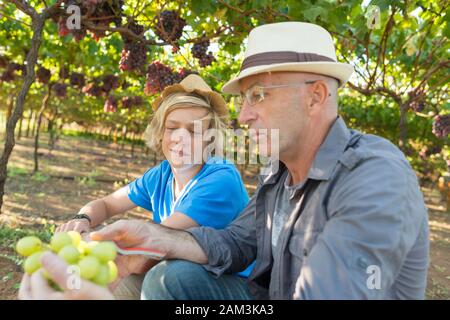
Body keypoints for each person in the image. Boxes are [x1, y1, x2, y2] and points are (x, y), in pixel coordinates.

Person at [21, 22, 430, 300]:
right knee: (171, 278)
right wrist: (159, 238)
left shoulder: (374, 174)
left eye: (258, 96)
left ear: (316, 96)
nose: (242, 116)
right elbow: (236, 242)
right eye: (242, 99)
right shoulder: (277, 174)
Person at [52, 74, 251, 299]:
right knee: (107, 283)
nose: (180, 137)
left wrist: (87, 246)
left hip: (231, 285)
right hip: (181, 272)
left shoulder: (221, 178)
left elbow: (151, 246)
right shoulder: (161, 174)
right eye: (172, 127)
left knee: (162, 277)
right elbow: (107, 204)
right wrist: (82, 219)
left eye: (194, 131)